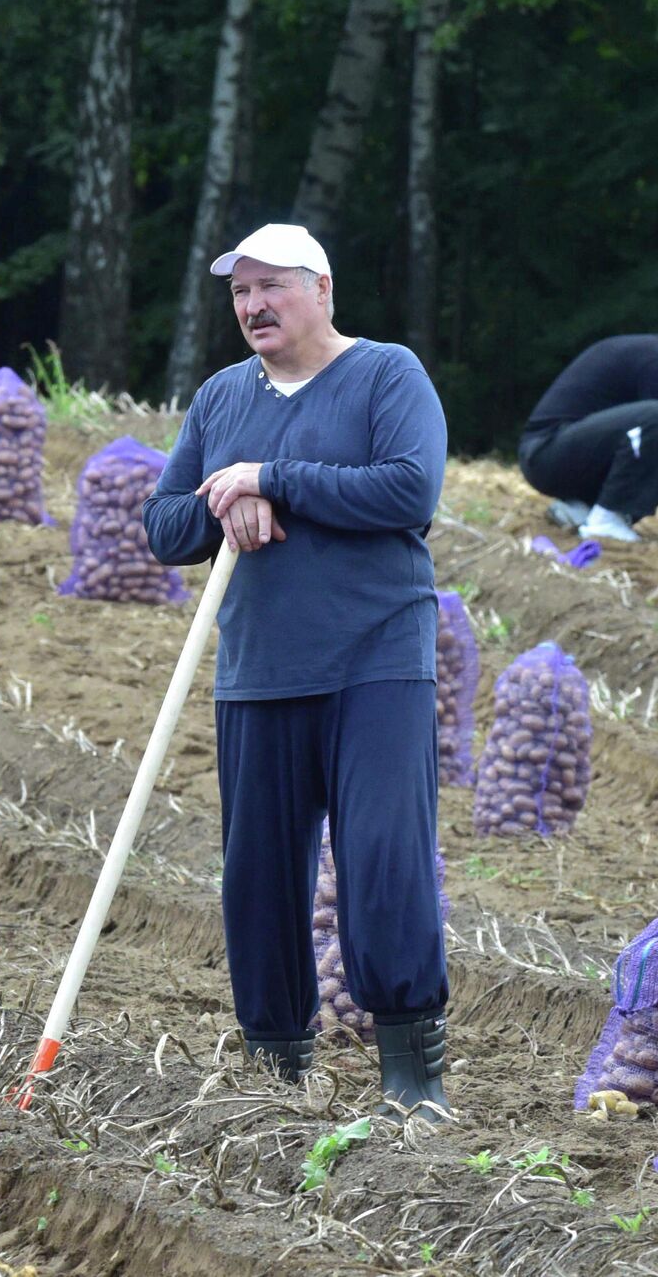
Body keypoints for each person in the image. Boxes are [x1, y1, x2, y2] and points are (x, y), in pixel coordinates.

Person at [142, 223, 451, 1122]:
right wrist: (225, 498)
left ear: (322, 286)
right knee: (259, 875)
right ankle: (276, 1069)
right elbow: (166, 526)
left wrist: (274, 477)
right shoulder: (221, 397)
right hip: (259, 667)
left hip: (377, 657)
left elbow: (408, 489)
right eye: (239, 293)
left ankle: (413, 1077)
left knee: (381, 856)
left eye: (271, 286)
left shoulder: (388, 375)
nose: (252, 306)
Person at [518, 314, 658, 543]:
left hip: (574, 457)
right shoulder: (655, 366)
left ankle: (585, 511)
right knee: (652, 416)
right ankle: (605, 520)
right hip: (545, 455)